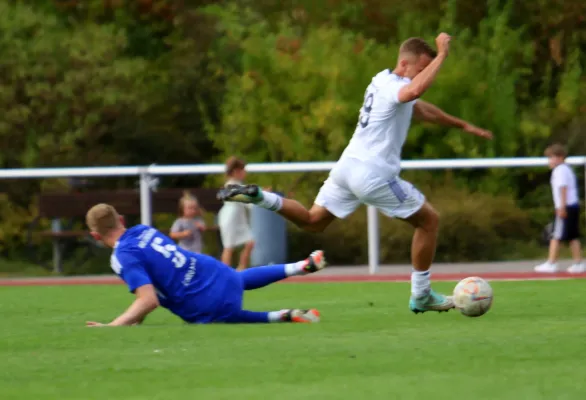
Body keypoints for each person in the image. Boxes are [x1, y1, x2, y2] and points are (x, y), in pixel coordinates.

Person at [218, 34, 493, 314]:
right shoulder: (395, 86)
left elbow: (421, 109)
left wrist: (462, 125)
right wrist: (443, 55)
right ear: (403, 63)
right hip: (372, 173)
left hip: (346, 168)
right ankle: (421, 295)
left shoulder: (380, 81)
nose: (423, 76)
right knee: (428, 221)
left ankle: (260, 197)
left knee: (313, 221)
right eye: (422, 69)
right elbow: (414, 94)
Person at [84, 203, 325, 327]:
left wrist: (114, 325)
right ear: (122, 220)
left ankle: (283, 315)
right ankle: (301, 266)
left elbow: (148, 299)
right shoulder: (142, 229)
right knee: (238, 279)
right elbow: (158, 274)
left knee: (227, 316)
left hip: (199, 299)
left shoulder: (121, 256)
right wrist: (135, 320)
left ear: (96, 236)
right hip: (210, 269)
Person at [534, 144, 584, 273]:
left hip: (566, 206)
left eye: (552, 157)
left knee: (556, 235)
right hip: (572, 205)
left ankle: (551, 263)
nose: (550, 161)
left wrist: (561, 207)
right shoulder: (566, 169)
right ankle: (579, 262)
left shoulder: (560, 170)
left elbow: (563, 188)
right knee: (573, 236)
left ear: (560, 157)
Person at [217, 157, 255, 270]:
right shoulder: (230, 185)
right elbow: (244, 197)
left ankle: (241, 269)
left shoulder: (239, 185)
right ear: (235, 171)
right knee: (229, 247)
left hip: (239, 218)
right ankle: (224, 273)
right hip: (229, 218)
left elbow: (249, 198)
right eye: (243, 170)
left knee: (250, 243)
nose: (245, 173)